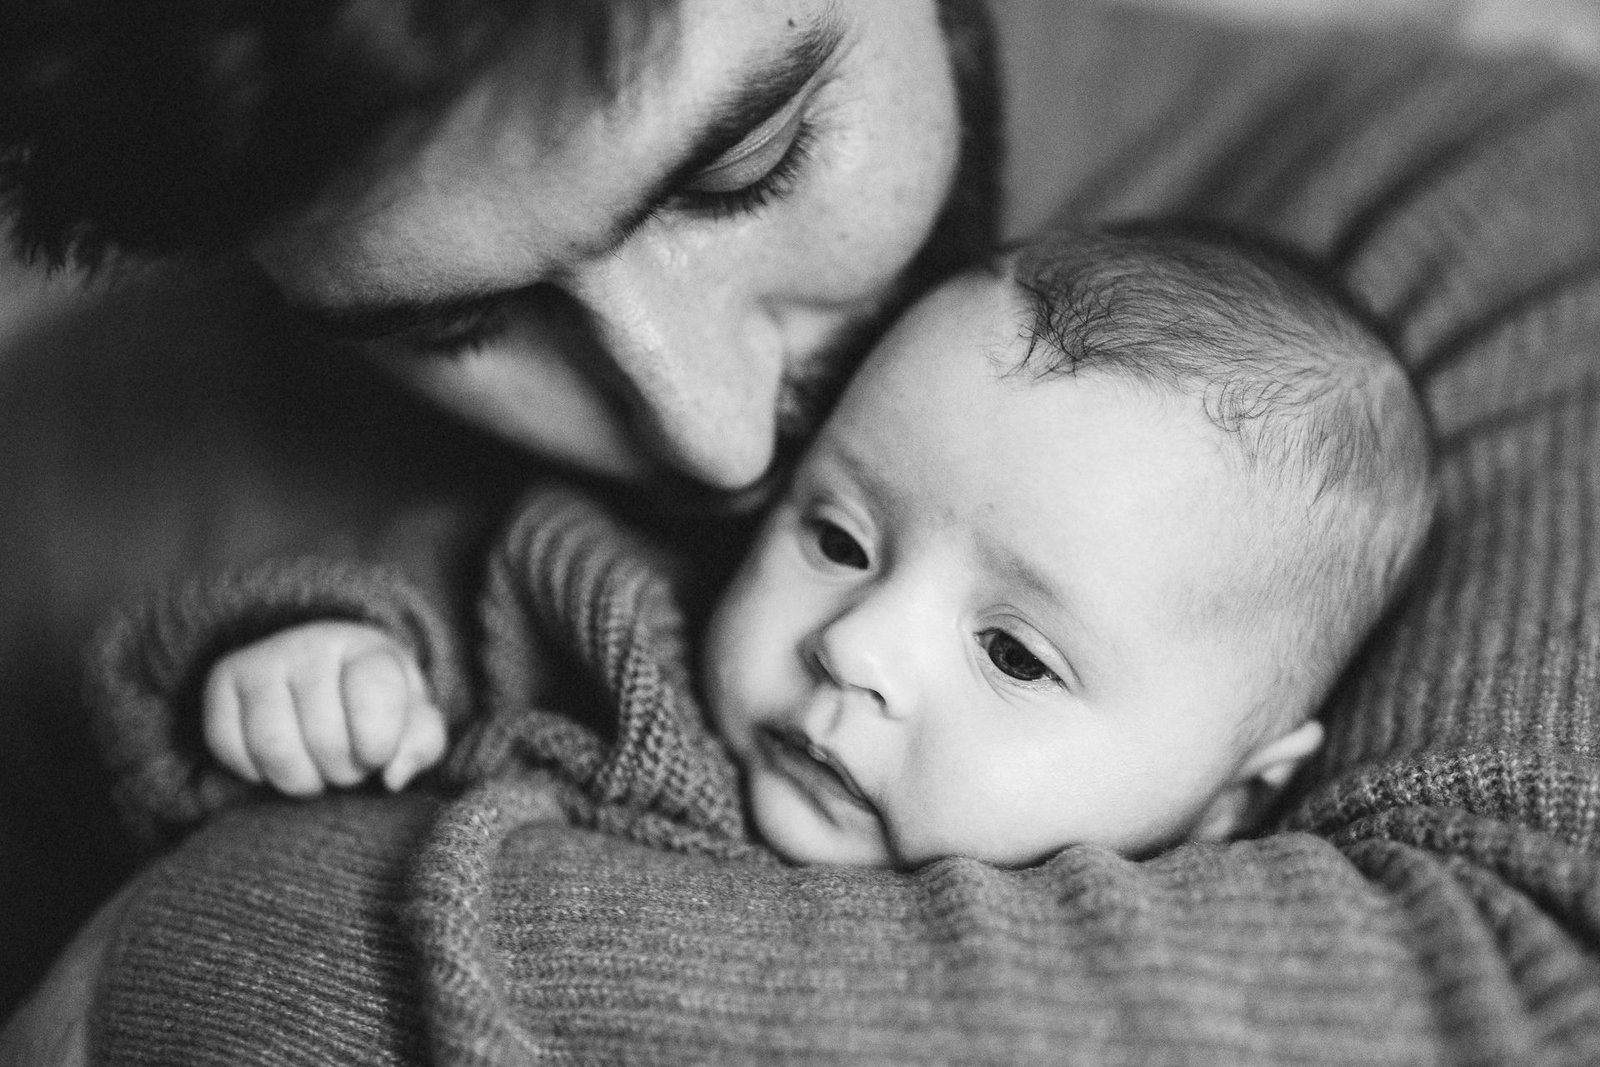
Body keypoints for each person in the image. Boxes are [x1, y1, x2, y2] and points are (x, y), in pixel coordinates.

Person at [6, 1, 1600, 1064]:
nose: (717, 438)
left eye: (748, 159)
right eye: (461, 323)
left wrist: (243, 955)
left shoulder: (1523, 219)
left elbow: (1516, 992)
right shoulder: (62, 481)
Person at [129, 223, 1430, 873]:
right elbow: (437, 588)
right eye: (839, 536)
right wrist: (326, 661)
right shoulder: (612, 604)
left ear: (1228, 803)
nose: (856, 646)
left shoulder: (1134, 950)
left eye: (1015, 655)